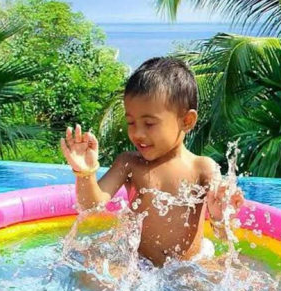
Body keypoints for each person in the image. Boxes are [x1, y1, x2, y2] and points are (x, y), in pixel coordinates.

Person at [60, 57, 244, 269]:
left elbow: (223, 235)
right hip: (139, 266)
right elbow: (90, 206)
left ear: (186, 121)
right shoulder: (129, 163)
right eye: (131, 122)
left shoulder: (202, 168)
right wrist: (85, 172)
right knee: (93, 268)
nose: (137, 133)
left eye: (149, 124)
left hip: (188, 267)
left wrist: (220, 216)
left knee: (236, 272)